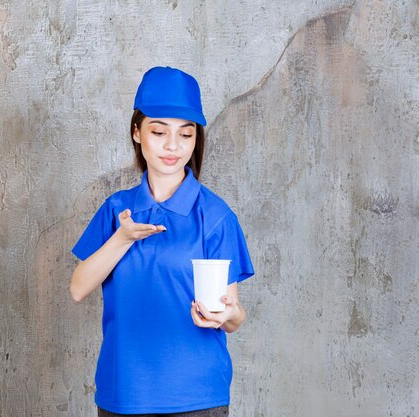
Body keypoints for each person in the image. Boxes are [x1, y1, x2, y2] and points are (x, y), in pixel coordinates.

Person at [70, 66, 255, 417]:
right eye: (159, 132)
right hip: (123, 392)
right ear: (137, 133)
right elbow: (78, 288)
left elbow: (233, 315)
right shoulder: (118, 209)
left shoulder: (215, 216)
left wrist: (229, 313)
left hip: (197, 396)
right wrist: (122, 239)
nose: (173, 146)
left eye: (186, 135)